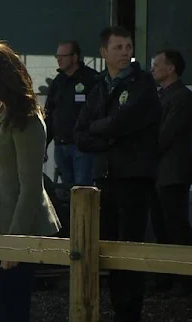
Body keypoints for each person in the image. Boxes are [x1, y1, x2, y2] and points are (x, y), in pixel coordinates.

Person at [0, 42, 61, 322]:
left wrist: (14, 243)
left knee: (11, 308)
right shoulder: (2, 115)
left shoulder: (27, 120)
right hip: (0, 226)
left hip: (17, 229)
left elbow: (31, 187)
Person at [74, 26, 161, 322]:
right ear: (104, 53)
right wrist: (108, 131)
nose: (126, 52)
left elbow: (126, 121)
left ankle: (129, 313)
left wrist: (104, 129)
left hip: (133, 178)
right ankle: (114, 307)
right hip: (105, 178)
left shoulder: (143, 83)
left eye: (129, 46)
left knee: (130, 248)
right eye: (119, 47)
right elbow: (80, 134)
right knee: (107, 247)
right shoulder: (99, 86)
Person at [149, 49, 192, 296]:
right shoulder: (163, 96)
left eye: (157, 65)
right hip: (160, 172)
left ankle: (184, 279)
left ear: (171, 68)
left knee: (175, 224)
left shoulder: (182, 98)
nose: (153, 69)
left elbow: (165, 135)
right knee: (161, 226)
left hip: (173, 173)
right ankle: (167, 277)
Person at [45, 40, 98, 186]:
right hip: (61, 146)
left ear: (75, 57)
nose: (59, 59)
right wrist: (44, 144)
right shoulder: (58, 82)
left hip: (83, 148)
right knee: (68, 192)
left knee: (83, 190)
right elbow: (48, 114)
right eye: (57, 56)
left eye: (63, 56)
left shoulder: (91, 79)